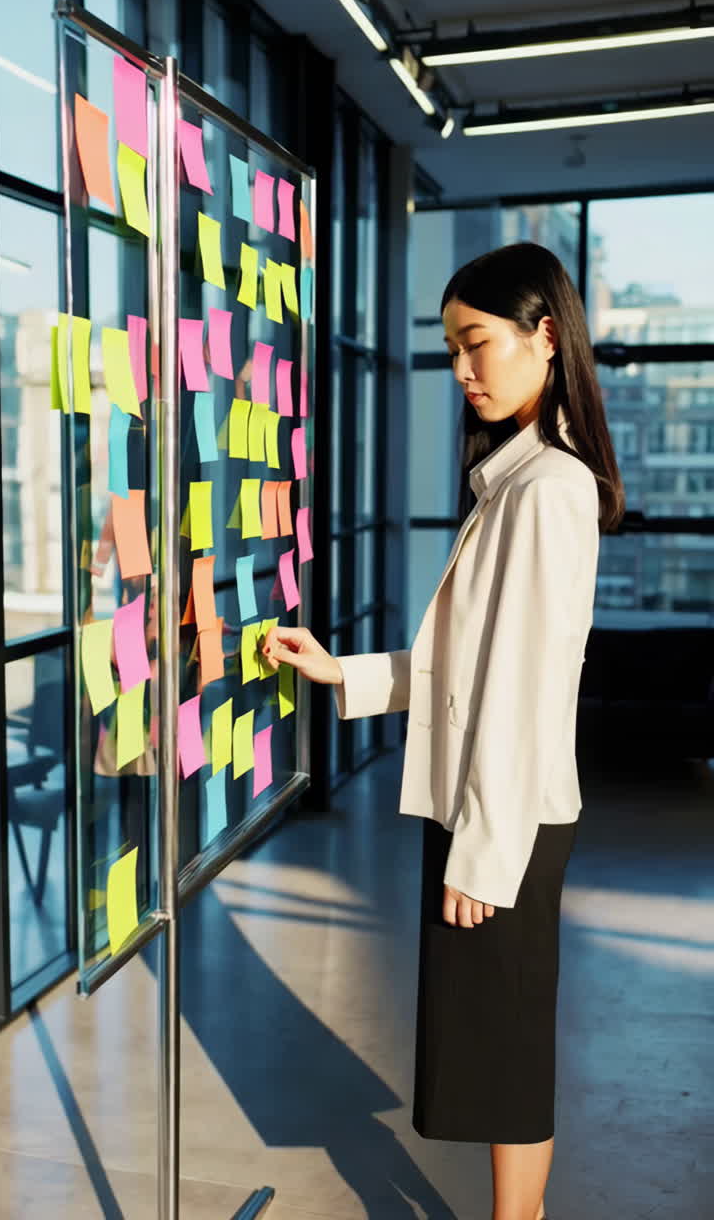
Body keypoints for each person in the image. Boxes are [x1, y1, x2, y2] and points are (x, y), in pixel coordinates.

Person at [261, 241, 625, 1220]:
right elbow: (469, 665)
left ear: (545, 337)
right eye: (452, 348)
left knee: (507, 1048)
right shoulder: (512, 480)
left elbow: (527, 687)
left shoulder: (549, 489)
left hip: (504, 819)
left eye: (477, 344)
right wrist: (347, 669)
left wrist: (485, 851)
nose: (462, 370)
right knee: (493, 1044)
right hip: (486, 810)